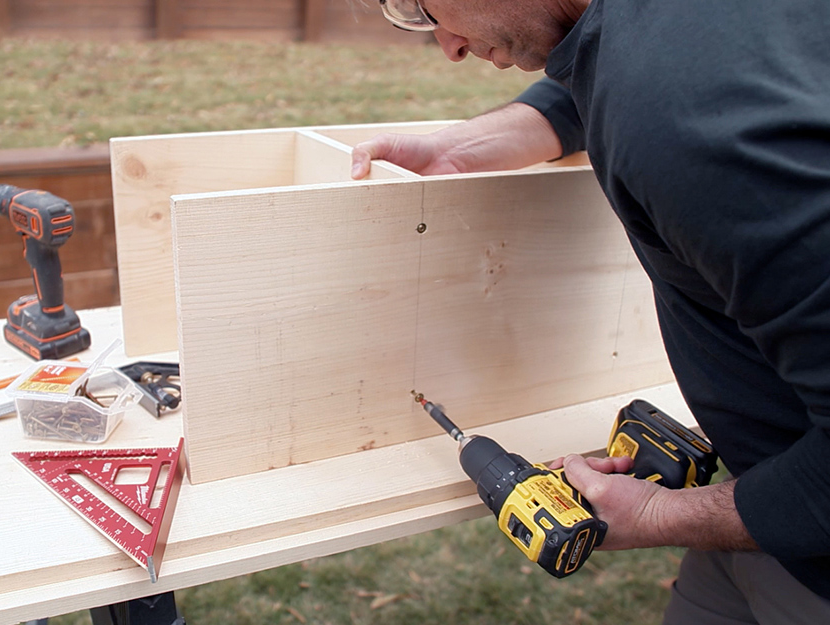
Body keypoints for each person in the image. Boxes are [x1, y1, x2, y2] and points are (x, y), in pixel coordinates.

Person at [353, 1, 830, 623]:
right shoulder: (666, 40)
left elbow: (661, 98)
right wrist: (463, 148)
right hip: (769, 500)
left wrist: (664, 516)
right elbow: (604, 72)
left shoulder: (697, 126)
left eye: (418, 3)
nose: (448, 46)